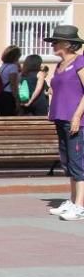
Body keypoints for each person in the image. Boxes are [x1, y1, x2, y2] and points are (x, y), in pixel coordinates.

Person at [45, 25, 84, 221]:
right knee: (68, 161)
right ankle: (72, 200)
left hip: (76, 120)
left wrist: (77, 115)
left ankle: (80, 206)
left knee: (78, 161)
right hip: (60, 117)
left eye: (56, 41)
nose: (53, 44)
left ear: (68, 44)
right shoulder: (60, 65)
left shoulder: (80, 61)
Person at [0, 45, 22, 116]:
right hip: (9, 96)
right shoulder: (13, 67)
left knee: (2, 116)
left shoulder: (3, 66)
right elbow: (13, 85)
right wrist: (17, 100)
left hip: (0, 94)